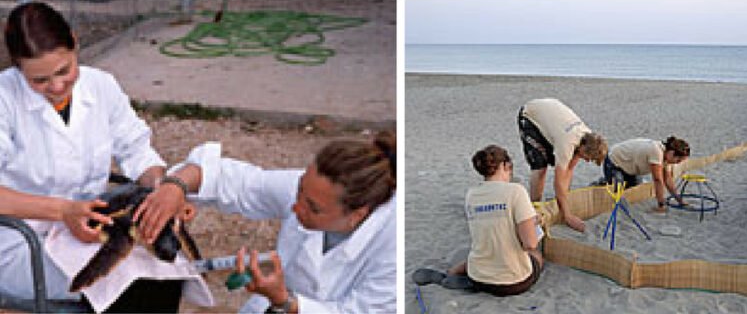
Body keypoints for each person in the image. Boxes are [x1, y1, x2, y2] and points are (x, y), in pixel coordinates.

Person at [0, 1, 185, 312]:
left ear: (74, 41)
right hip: (21, 241)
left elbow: (137, 149)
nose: (57, 86)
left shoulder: (101, 86)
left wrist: (161, 190)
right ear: (18, 67)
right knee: (127, 284)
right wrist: (63, 211)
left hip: (91, 230)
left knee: (169, 269)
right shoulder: (4, 101)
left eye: (64, 71)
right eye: (40, 81)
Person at [134, 131, 397, 314]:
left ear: (358, 215)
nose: (296, 207)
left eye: (313, 208)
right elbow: (236, 182)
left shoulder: (393, 246)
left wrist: (283, 300)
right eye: (299, 191)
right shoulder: (316, 190)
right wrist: (175, 187)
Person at [421, 145, 544, 297]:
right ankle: (464, 273)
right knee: (536, 256)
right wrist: (532, 223)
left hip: (478, 277)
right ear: (505, 166)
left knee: (487, 249)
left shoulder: (471, 195)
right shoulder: (516, 191)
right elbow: (530, 243)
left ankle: (452, 273)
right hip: (512, 282)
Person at [517, 98, 607, 232]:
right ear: (582, 147)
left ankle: (557, 204)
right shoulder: (567, 144)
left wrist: (564, 199)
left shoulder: (587, 136)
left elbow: (569, 169)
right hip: (530, 115)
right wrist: (567, 216)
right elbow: (558, 181)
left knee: (562, 165)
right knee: (540, 167)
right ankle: (535, 206)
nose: (587, 161)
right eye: (587, 158)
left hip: (552, 115)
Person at [602, 136, 691, 211]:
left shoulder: (666, 158)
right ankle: (603, 181)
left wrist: (679, 200)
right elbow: (658, 180)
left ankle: (610, 179)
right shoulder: (656, 151)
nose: (677, 163)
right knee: (618, 191)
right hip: (614, 162)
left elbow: (667, 180)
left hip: (629, 167)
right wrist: (661, 205)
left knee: (635, 186)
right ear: (672, 153)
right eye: (678, 160)